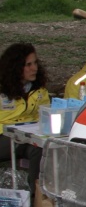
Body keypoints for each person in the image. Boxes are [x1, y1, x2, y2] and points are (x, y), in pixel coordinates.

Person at [0, 43, 50, 194]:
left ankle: (34, 194)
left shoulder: (39, 89)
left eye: (35, 63)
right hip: (4, 135)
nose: (34, 68)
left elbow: (45, 115)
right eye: (28, 64)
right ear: (15, 67)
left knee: (40, 148)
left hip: (28, 136)